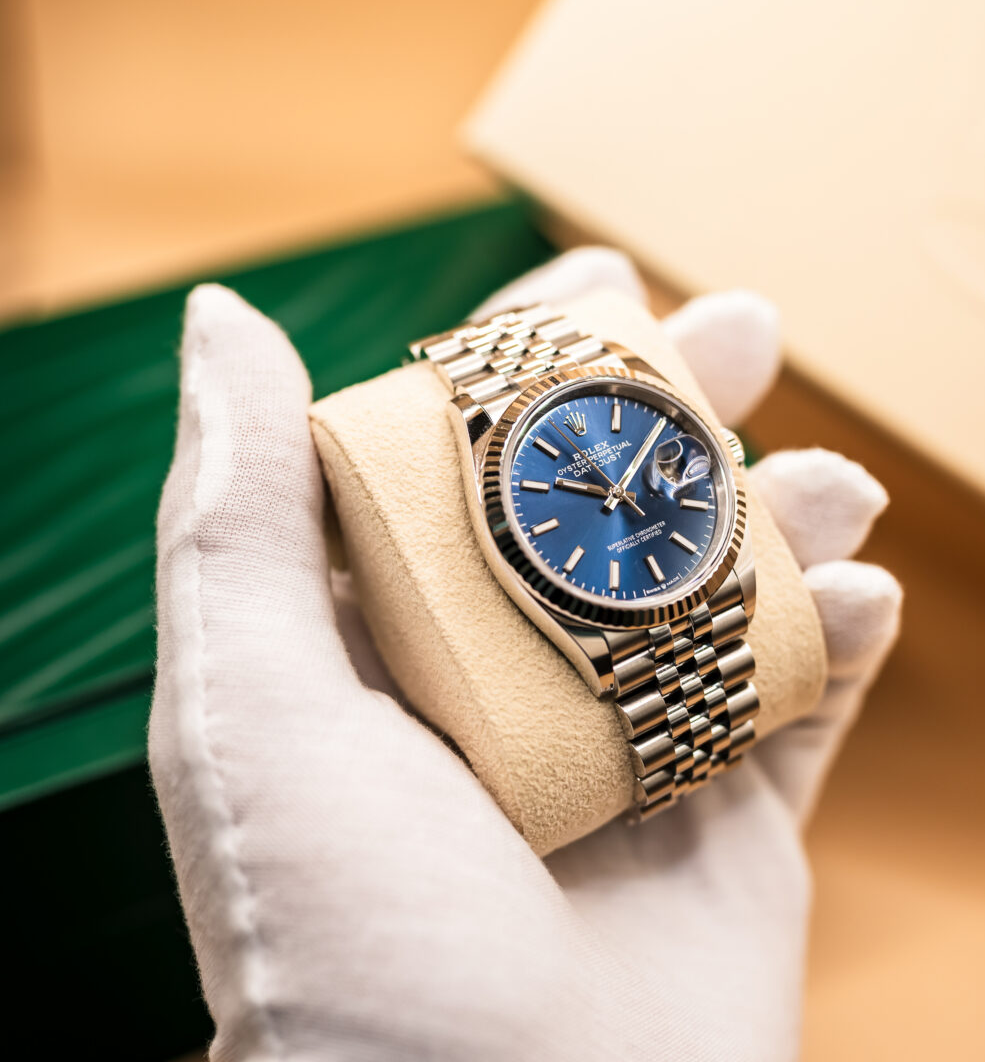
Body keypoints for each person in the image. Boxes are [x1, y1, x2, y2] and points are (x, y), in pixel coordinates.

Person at [151, 248, 901, 1061]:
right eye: (604, 496)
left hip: (706, 576)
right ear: (496, 522)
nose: (619, 498)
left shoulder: (652, 437)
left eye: (625, 486)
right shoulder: (516, 510)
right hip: (604, 627)